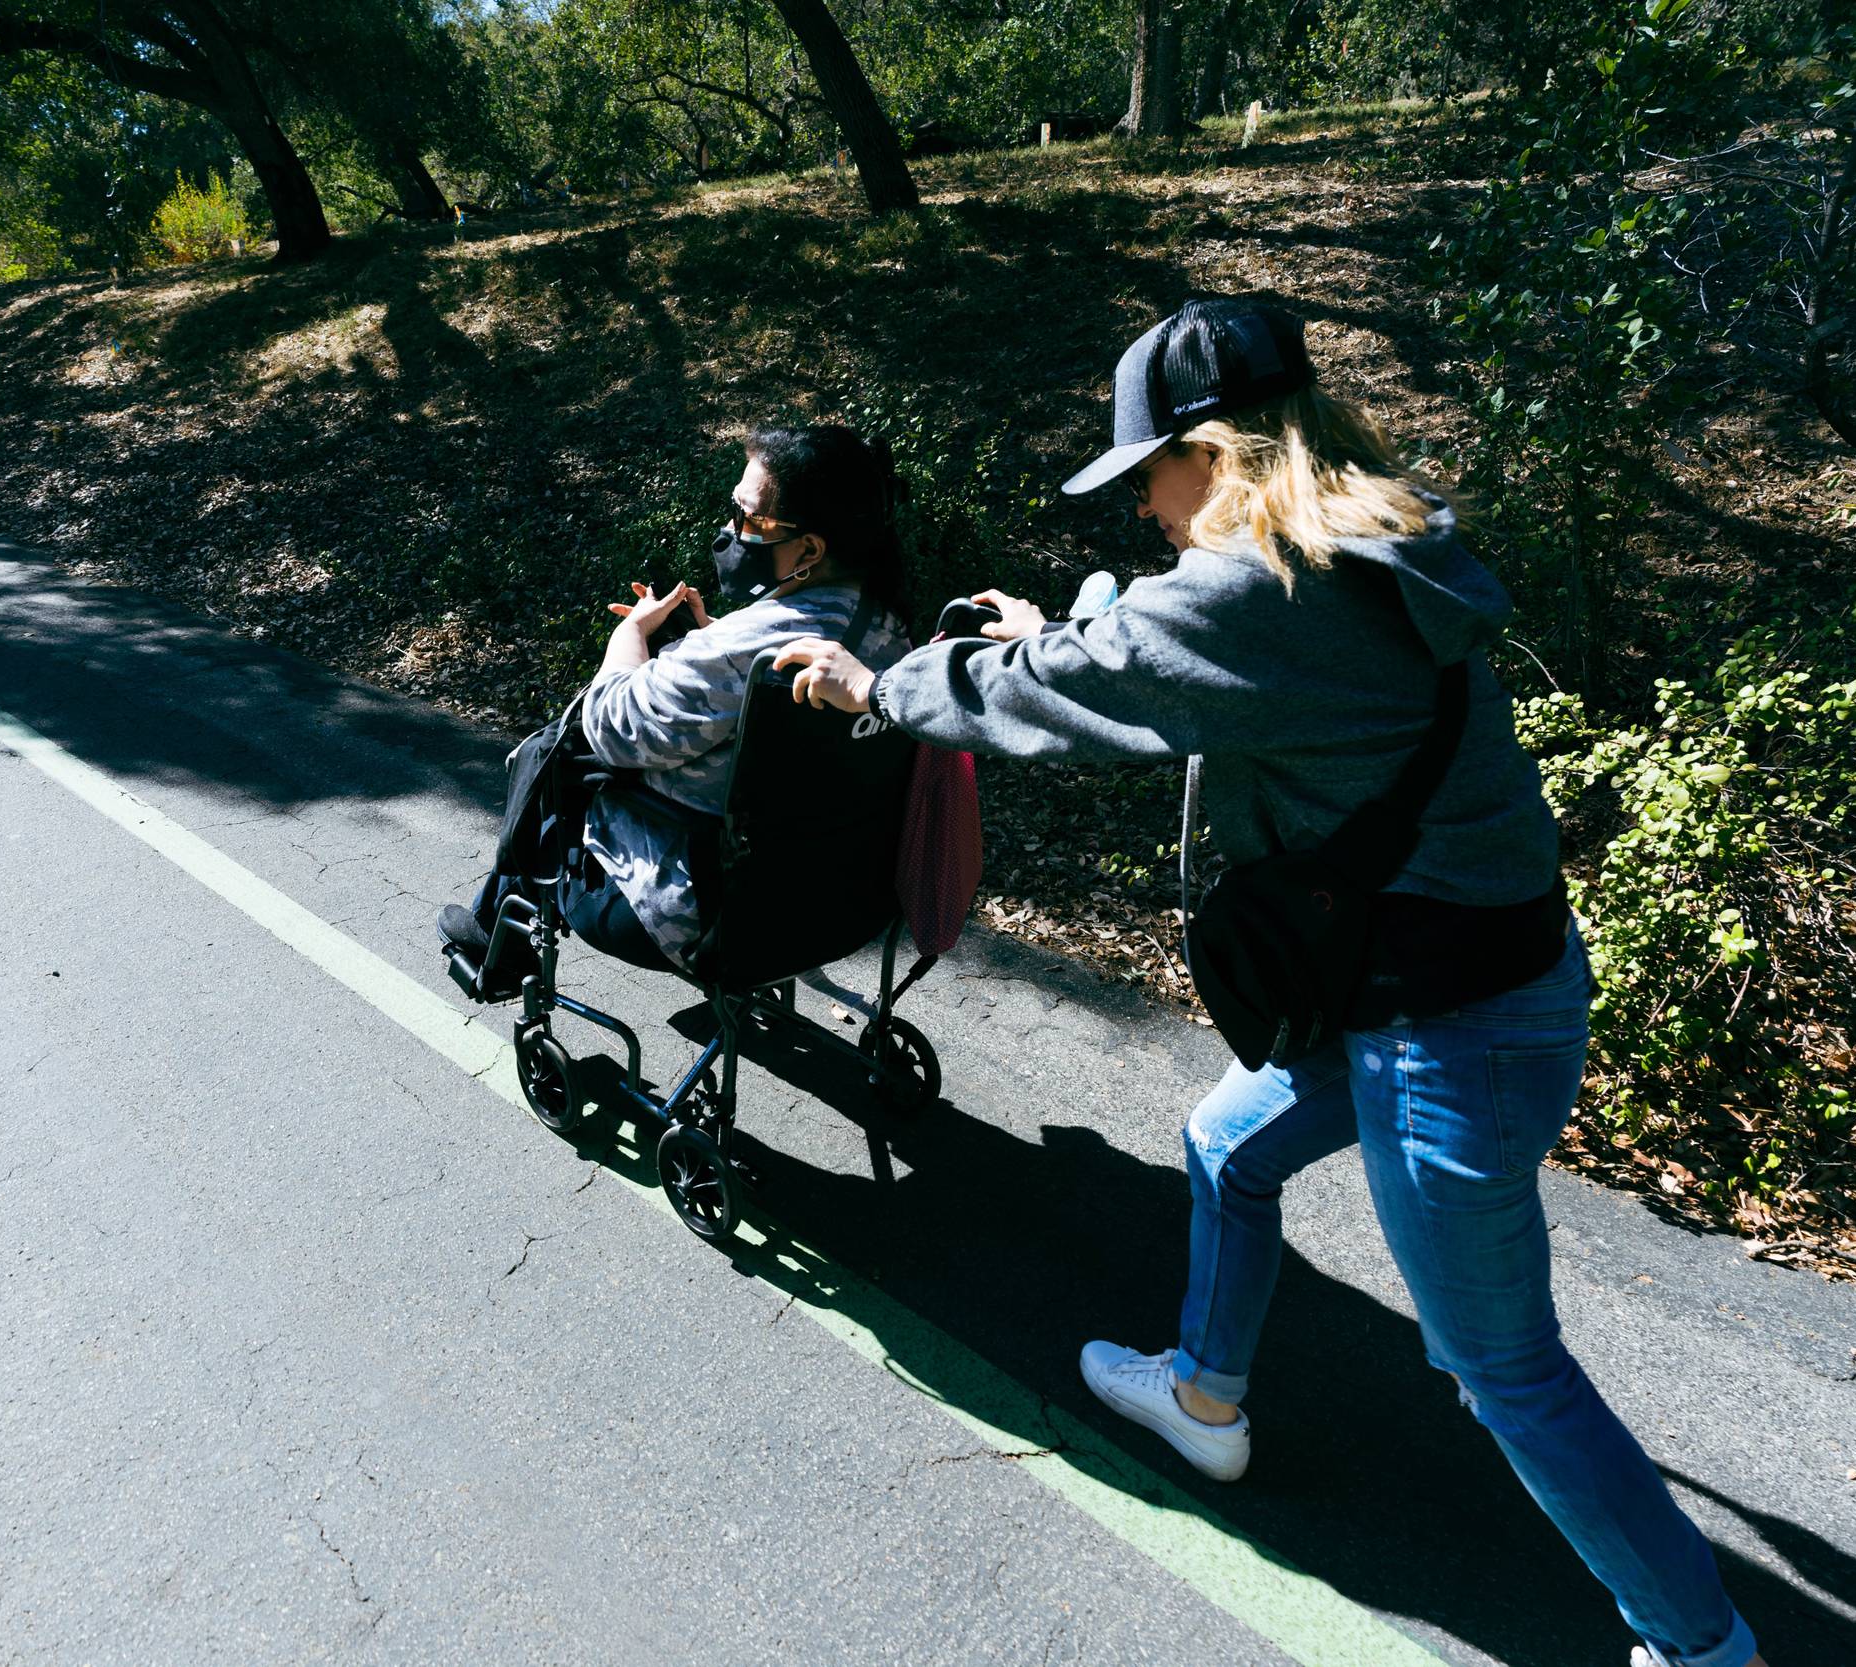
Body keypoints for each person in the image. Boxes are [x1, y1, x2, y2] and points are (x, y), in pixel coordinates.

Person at [771, 300, 1765, 1667]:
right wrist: (1073, 625)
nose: (1141, 507)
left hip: (1444, 1031)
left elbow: (1095, 680)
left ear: (1216, 452)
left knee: (1502, 1369)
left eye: (1147, 475)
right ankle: (1204, 1394)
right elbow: (1196, 658)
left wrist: (879, 686)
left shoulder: (1257, 589)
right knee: (1224, 1144)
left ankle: (1702, 1646)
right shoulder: (1381, 537)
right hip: (1452, 980)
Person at [439, 424, 912, 984]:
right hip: (837, 904)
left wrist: (632, 635)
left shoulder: (741, 650)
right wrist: (712, 644)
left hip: (705, 916)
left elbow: (609, 728)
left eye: (748, 518)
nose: (730, 531)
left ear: (809, 548)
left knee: (557, 758)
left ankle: (496, 943)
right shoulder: (889, 630)